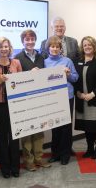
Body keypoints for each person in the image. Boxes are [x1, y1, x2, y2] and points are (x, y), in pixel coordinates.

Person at [40, 17, 80, 155]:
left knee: (66, 125)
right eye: (52, 46)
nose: (55, 48)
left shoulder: (68, 60)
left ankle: (66, 152)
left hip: (67, 95)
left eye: (57, 47)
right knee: (54, 124)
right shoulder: (44, 62)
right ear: (48, 48)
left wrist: (68, 74)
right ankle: (55, 152)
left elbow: (75, 77)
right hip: (51, 96)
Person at [14, 29, 51, 171]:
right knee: (27, 132)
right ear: (22, 41)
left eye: (32, 39)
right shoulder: (17, 58)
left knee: (40, 130)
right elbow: (15, 80)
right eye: (27, 39)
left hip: (40, 99)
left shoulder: (42, 56)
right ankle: (28, 161)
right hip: (25, 101)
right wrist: (29, 74)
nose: (30, 42)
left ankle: (39, 158)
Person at [0, 37, 22, 178]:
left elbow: (22, 82)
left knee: (15, 135)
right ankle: (5, 168)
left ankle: (15, 167)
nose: (3, 49)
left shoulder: (16, 63)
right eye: (0, 47)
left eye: (6, 46)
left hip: (15, 104)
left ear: (10, 48)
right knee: (2, 136)